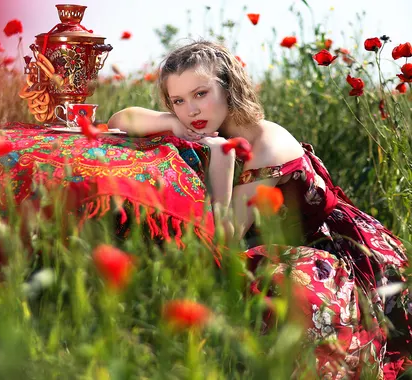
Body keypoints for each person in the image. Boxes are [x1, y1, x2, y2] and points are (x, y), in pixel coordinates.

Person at [108, 40, 411, 379]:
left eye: (200, 94)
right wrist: (172, 123)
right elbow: (118, 118)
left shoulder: (264, 143)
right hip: (273, 246)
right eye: (178, 100)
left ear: (229, 89)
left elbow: (225, 236)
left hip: (332, 249)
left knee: (275, 295)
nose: (191, 110)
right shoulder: (209, 126)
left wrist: (221, 163)